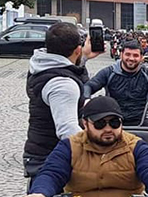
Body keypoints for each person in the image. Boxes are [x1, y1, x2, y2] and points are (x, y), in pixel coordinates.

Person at [23, 22, 101, 177]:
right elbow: (67, 130)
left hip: (38, 150)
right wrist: (100, 149)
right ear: (77, 50)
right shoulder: (63, 84)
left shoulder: (41, 64)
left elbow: (65, 66)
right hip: (51, 159)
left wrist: (83, 57)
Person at [83, 41, 148, 127]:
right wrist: (86, 99)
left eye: (135, 55)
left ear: (141, 58)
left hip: (141, 120)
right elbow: (89, 85)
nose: (131, 58)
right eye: (127, 54)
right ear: (121, 55)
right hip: (113, 120)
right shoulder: (109, 72)